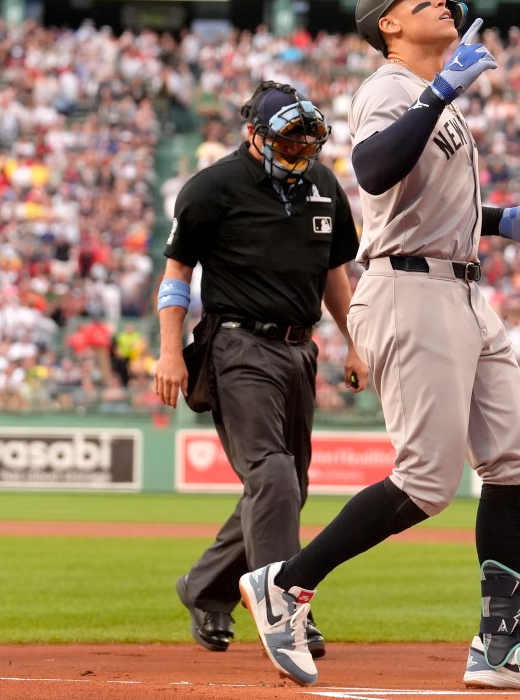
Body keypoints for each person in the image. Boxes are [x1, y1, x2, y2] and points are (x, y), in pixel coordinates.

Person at [235, 0, 520, 692]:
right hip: (408, 289)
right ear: (389, 25)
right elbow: (370, 169)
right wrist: (437, 92)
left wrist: (501, 221)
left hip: (460, 288)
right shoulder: (389, 87)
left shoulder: (439, 101)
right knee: (428, 481)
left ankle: (499, 644)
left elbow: (416, 202)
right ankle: (286, 584)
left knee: (517, 461)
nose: (439, 3)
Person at [153, 80, 366, 657]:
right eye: (288, 142)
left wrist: (355, 342)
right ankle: (283, 606)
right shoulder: (212, 188)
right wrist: (171, 351)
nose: (300, 153)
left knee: (286, 489)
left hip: (301, 350)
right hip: (237, 344)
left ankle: (205, 587)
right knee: (271, 476)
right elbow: (176, 274)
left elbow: (333, 275)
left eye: (307, 143)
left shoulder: (323, 185)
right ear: (255, 135)